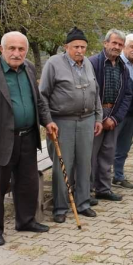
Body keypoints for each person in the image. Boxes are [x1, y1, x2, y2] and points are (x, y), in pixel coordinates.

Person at [0, 32, 58, 246]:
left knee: (27, 183)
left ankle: (26, 221)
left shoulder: (28, 67)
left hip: (27, 137)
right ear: (1, 49)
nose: (16, 53)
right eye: (12, 48)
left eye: (21, 49)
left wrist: (48, 121)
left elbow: (38, 101)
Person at [39, 27, 103, 223]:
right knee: (62, 165)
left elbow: (96, 92)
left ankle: (83, 202)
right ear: (66, 46)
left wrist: (99, 118)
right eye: (76, 46)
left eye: (83, 47)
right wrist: (48, 121)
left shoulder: (88, 65)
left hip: (87, 120)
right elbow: (42, 95)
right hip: (62, 122)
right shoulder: (53, 64)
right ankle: (60, 207)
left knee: (85, 163)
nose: (80, 50)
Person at [88, 29, 133, 202]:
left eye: (120, 44)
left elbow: (128, 94)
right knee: (91, 155)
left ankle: (104, 189)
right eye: (114, 43)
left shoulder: (123, 67)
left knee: (108, 154)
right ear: (105, 43)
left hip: (113, 114)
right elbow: (89, 93)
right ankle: (87, 191)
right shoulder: (93, 63)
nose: (117, 47)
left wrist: (115, 118)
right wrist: (100, 118)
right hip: (95, 115)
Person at [113, 34, 133, 189]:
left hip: (132, 113)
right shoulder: (116, 63)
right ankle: (102, 178)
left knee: (124, 147)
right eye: (132, 46)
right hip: (116, 113)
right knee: (109, 146)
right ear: (124, 46)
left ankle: (118, 175)